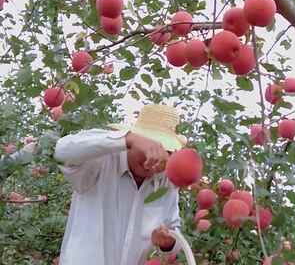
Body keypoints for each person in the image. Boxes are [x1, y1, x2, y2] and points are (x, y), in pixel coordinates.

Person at [53, 104, 195, 265]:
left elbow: (173, 230)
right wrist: (127, 138)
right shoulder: (101, 162)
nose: (152, 161)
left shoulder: (165, 184)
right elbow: (62, 152)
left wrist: (168, 242)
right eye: (149, 149)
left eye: (163, 153)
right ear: (135, 142)